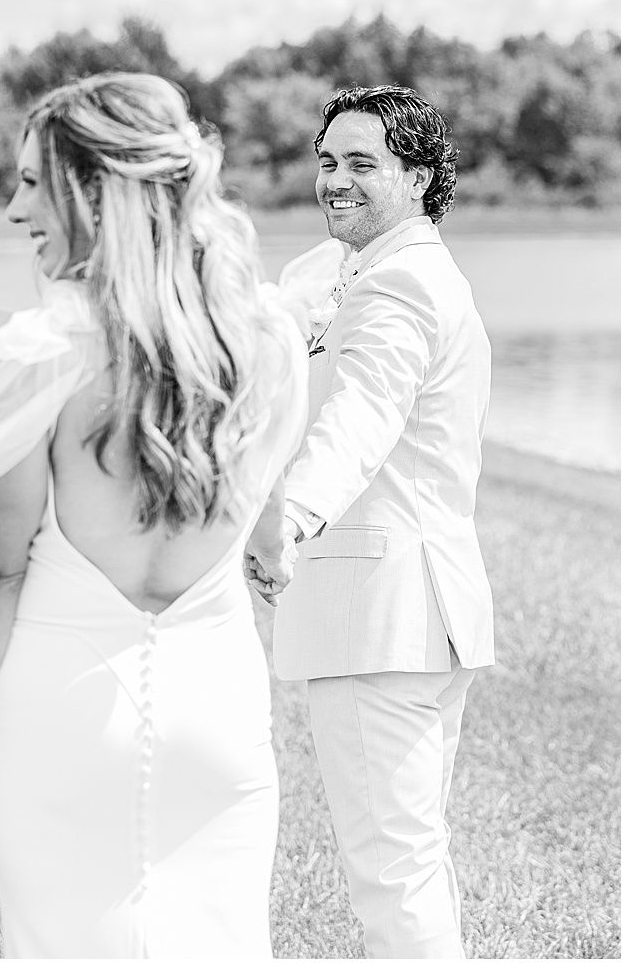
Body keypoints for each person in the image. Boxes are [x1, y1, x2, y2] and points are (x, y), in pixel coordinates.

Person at [0, 73, 308, 956]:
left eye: (31, 184)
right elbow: (268, 514)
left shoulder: (43, 358)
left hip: (60, 735)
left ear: (96, 191)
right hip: (221, 730)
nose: (16, 212)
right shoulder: (272, 342)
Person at [249, 85, 493, 958]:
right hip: (404, 611)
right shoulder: (353, 272)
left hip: (383, 611)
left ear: (420, 177)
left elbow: (365, 412)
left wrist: (291, 518)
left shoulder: (399, 285)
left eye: (362, 163)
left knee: (391, 870)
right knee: (406, 859)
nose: (334, 180)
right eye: (326, 161)